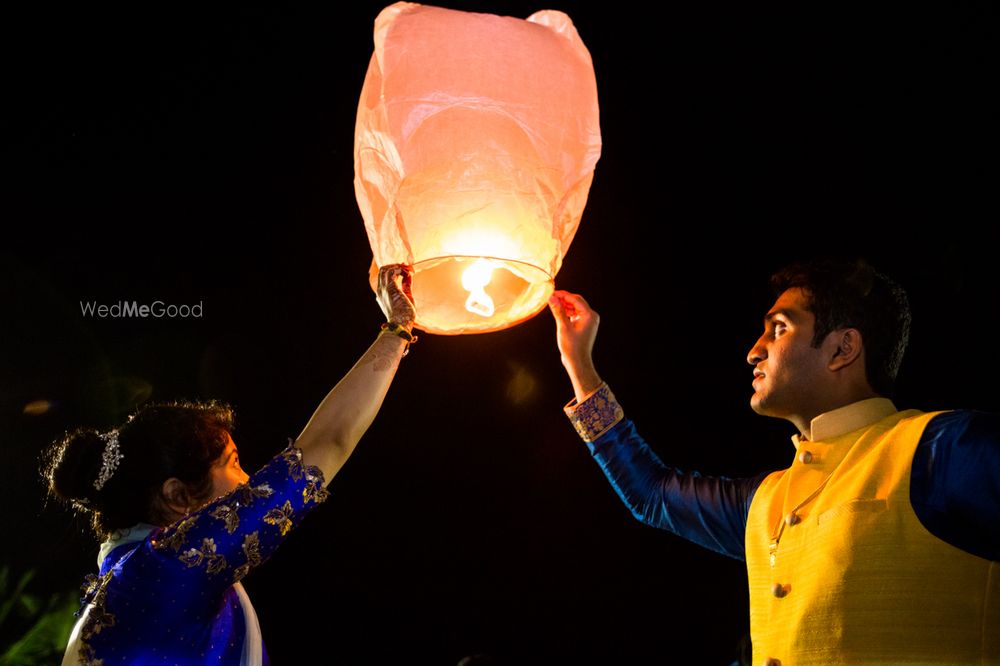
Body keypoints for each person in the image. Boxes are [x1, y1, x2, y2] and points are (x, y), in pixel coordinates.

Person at [548, 258, 999, 665]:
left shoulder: (944, 450)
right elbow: (652, 493)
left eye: (779, 328)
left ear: (843, 349)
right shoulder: (765, 500)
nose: (754, 350)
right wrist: (580, 367)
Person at [44, 264, 417, 666]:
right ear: (177, 495)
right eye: (233, 464)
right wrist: (396, 329)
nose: (248, 480)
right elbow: (328, 442)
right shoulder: (167, 569)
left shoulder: (129, 578)